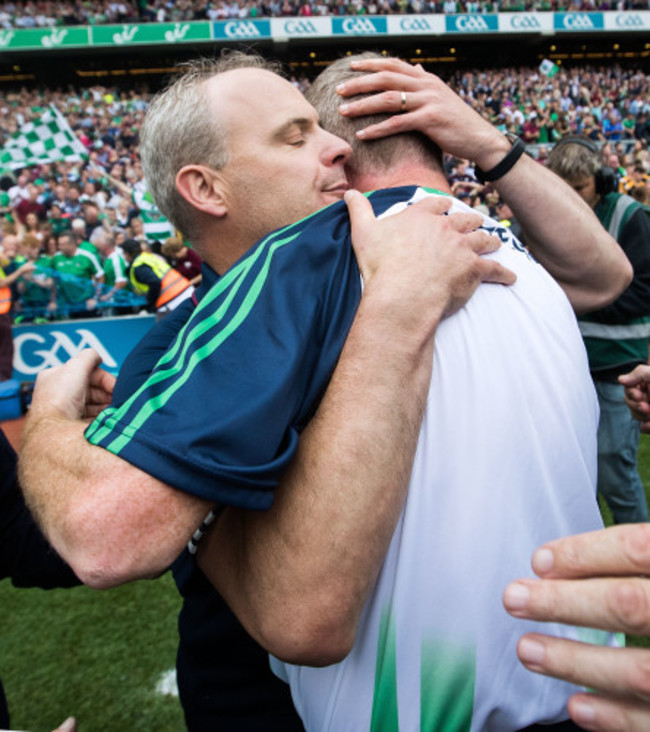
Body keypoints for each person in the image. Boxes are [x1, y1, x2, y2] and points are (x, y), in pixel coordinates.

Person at [19, 53, 629, 730]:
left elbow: (605, 276)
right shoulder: (266, 292)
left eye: (324, 126)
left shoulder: (415, 246)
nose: (337, 148)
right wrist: (48, 414)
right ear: (207, 189)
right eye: (295, 135)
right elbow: (112, 535)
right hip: (260, 693)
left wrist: (486, 148)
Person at [546, 136, 650, 524]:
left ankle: (638, 566)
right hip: (569, 367)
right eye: (563, 189)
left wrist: (576, 300)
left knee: (614, 474)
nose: (571, 197)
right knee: (574, 476)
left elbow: (643, 290)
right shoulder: (547, 214)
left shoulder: (630, 216)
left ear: (601, 182)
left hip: (619, 366)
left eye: (579, 189)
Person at [120, 238, 193, 316]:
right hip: (187, 292)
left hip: (172, 301)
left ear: (126, 253)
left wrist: (150, 304)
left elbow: (155, 282)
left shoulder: (139, 266)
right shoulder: (149, 257)